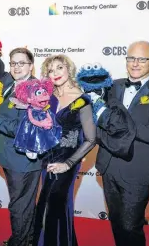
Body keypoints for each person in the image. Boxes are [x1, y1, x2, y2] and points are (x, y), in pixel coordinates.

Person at [95, 41, 149, 246]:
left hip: (137, 170)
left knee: (131, 226)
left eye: (142, 59)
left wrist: (116, 122)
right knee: (116, 221)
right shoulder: (111, 86)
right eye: (131, 58)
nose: (135, 63)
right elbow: (98, 122)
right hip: (109, 165)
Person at [0, 48, 58, 246]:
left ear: (31, 66)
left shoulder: (36, 91)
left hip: (23, 161)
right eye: (13, 63)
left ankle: (20, 242)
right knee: (23, 205)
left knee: (20, 206)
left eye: (21, 63)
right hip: (11, 158)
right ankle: (25, 239)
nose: (16, 67)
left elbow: (23, 127)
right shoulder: (11, 83)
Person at [33, 54, 96, 246]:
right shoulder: (47, 97)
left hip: (67, 161)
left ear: (68, 69)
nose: (55, 73)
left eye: (59, 68)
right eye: (50, 71)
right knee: (46, 204)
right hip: (47, 159)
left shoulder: (81, 99)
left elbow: (91, 139)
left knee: (55, 203)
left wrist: (68, 164)